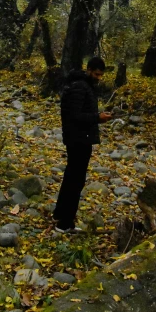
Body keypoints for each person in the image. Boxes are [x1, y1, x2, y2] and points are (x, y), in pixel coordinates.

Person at [53, 57, 112, 233]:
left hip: (79, 138)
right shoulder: (80, 86)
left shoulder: (82, 85)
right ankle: (64, 224)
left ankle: (60, 214)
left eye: (101, 75)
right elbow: (75, 116)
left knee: (71, 177)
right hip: (78, 139)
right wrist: (97, 118)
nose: (99, 78)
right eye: (96, 74)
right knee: (75, 181)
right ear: (89, 70)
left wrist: (98, 117)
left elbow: (80, 113)